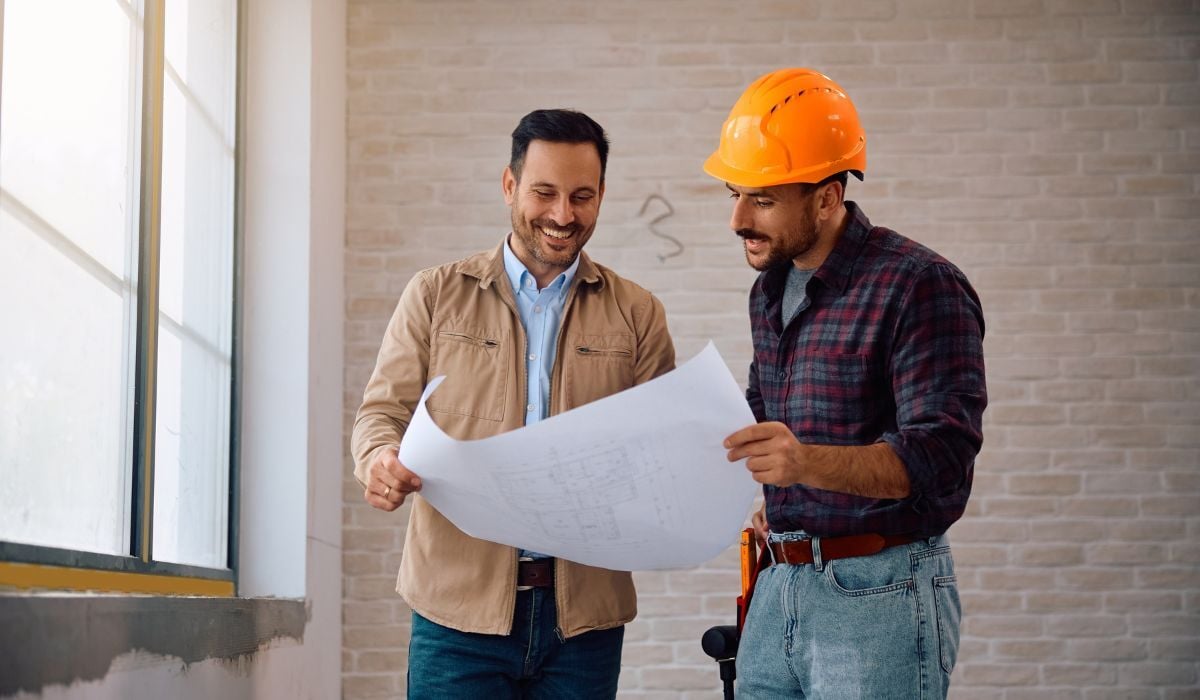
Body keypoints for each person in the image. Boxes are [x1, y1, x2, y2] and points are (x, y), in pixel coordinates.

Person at [351, 109, 675, 698]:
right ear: (509, 186)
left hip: (585, 622)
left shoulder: (639, 313)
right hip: (456, 615)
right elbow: (381, 414)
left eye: (582, 196)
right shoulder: (435, 295)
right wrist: (378, 458)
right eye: (544, 193)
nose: (562, 215)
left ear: (602, 195)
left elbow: (663, 450)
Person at [705, 68, 987, 698]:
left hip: (878, 593)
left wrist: (803, 463)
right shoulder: (769, 291)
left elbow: (940, 456)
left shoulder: (919, 285)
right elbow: (763, 421)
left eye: (764, 199)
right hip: (780, 585)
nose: (738, 220)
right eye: (734, 194)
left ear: (828, 197)